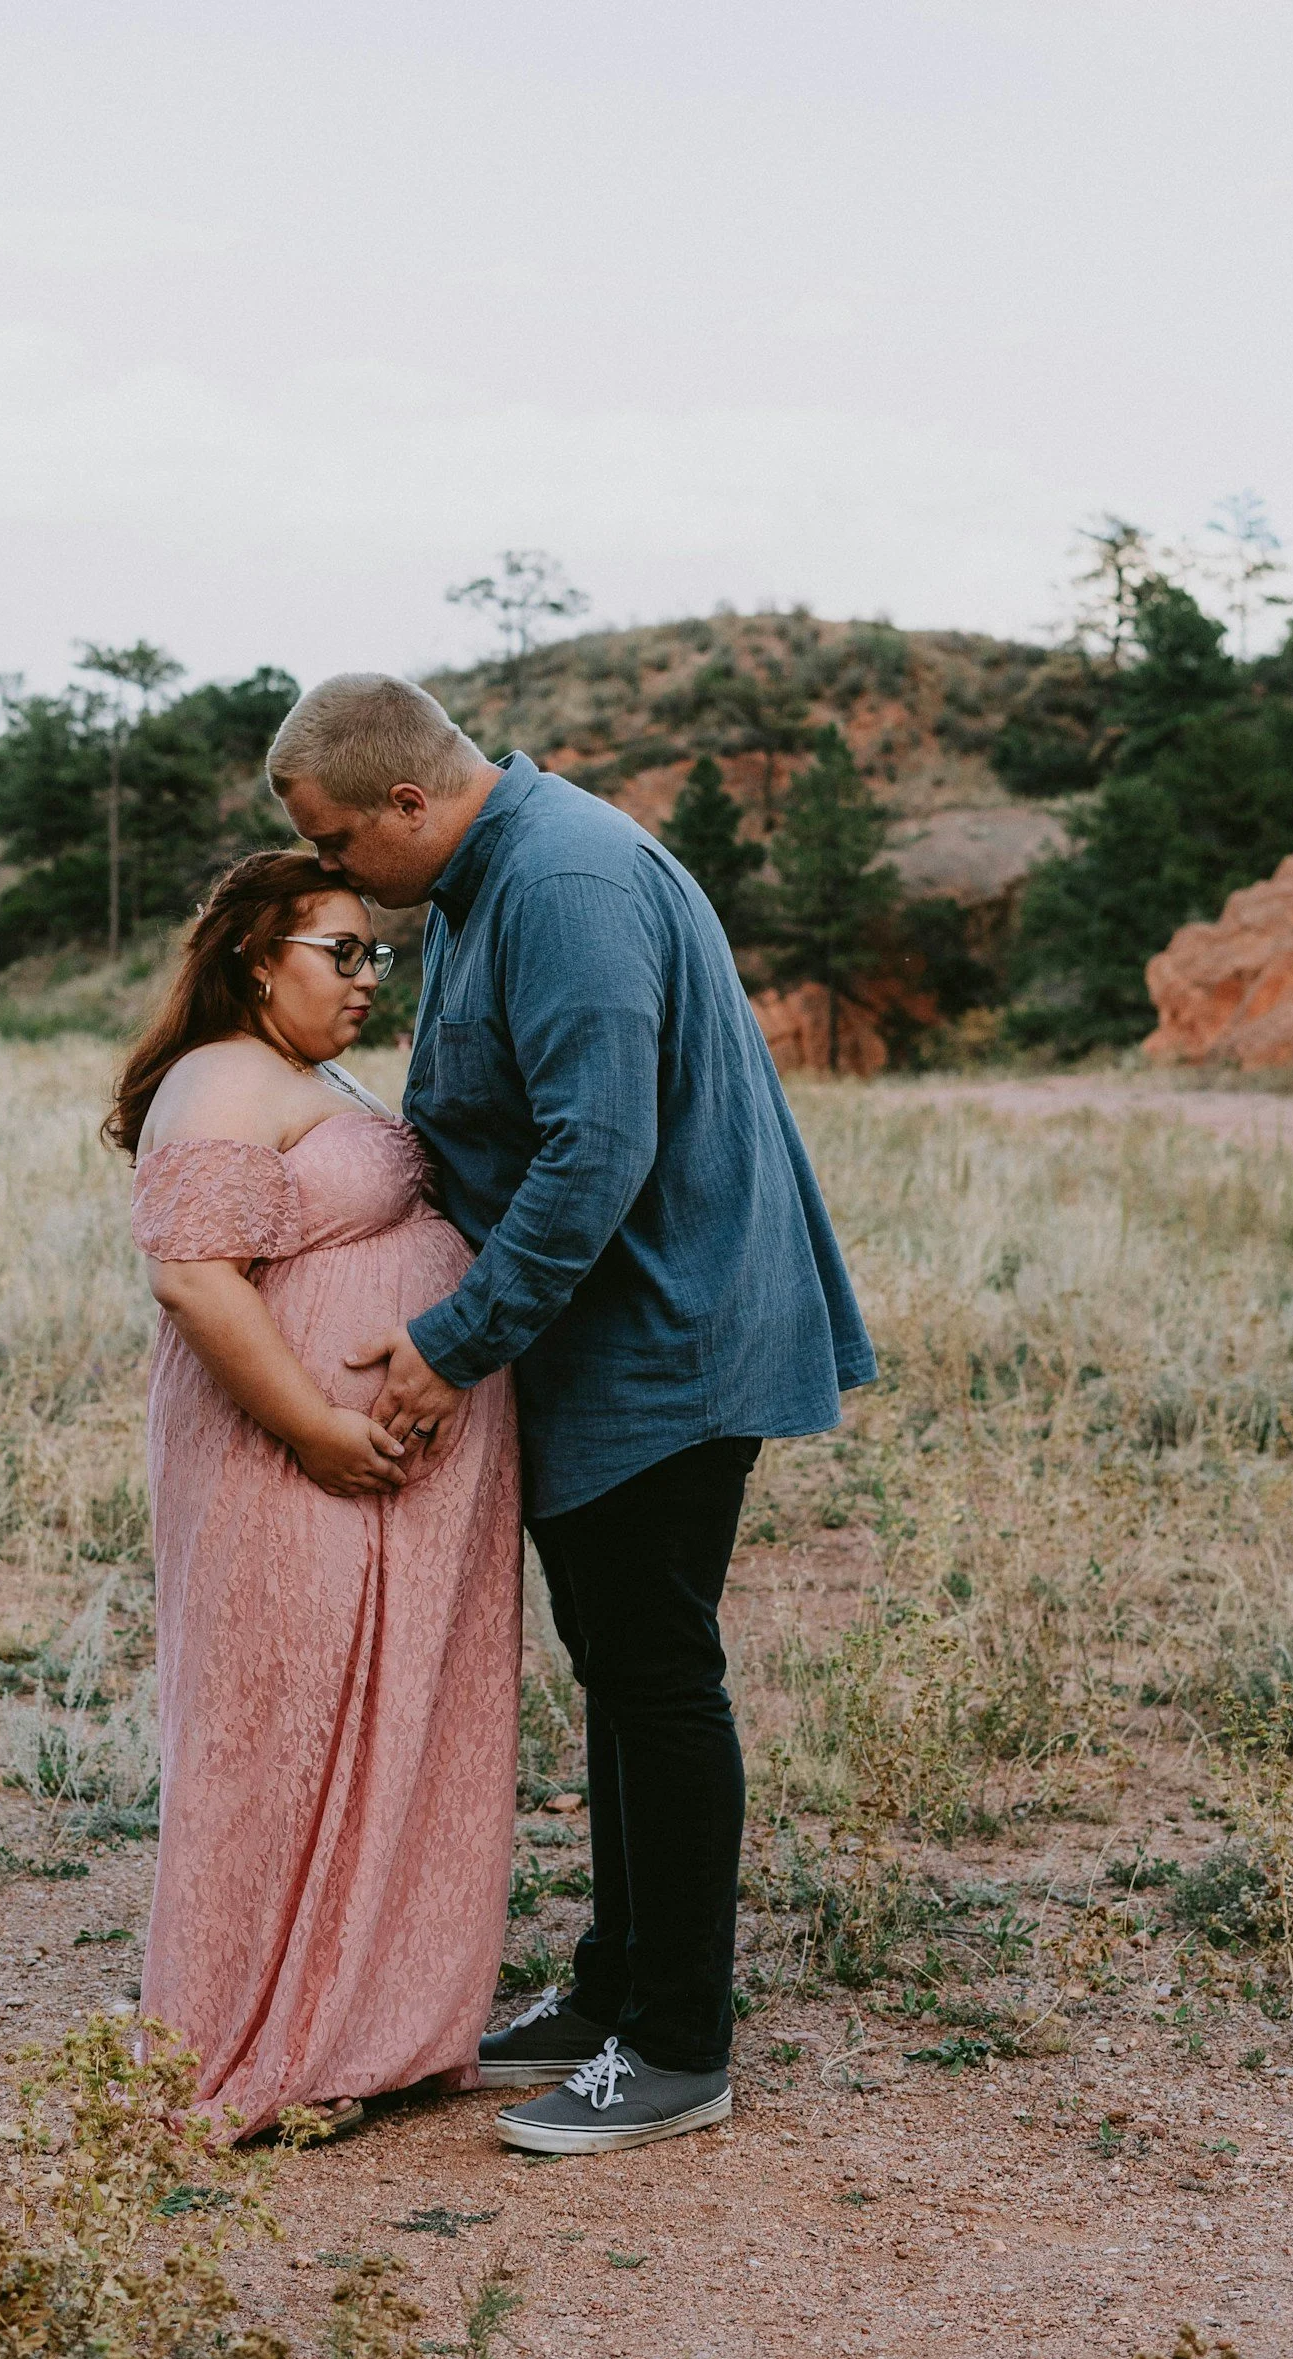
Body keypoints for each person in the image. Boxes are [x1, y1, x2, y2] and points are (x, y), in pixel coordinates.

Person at [266, 674, 874, 2156]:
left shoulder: (567, 879)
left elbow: (598, 1151)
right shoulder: (483, 880)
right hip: (609, 1349)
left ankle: (678, 2048)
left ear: (413, 800)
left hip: (666, 1346)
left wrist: (452, 1343)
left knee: (657, 1676)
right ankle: (614, 1991)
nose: (337, 876)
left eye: (344, 842)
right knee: (615, 1664)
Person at [107, 850, 522, 2144]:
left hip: (368, 1467)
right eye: (336, 953)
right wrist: (319, 1433)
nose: (364, 978)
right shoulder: (223, 1075)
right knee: (278, 1728)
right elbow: (194, 1280)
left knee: (380, 1723)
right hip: (285, 1461)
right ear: (252, 956)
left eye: (373, 954)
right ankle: (254, 2039)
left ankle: (363, 2026)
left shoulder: (299, 1076)